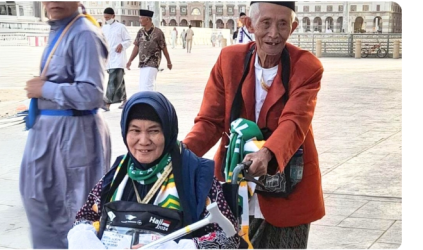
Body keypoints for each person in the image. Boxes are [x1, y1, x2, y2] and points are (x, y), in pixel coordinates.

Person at [182, 1, 325, 249]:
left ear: (293, 27)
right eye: (265, 23)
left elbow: (295, 120)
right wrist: (178, 156)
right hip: (234, 183)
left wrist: (267, 152)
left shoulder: (307, 66)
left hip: (288, 185)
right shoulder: (229, 60)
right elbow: (210, 121)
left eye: (282, 24)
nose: (274, 33)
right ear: (249, 24)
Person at [67, 91, 242, 249]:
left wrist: (173, 249)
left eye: (154, 131)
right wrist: (86, 240)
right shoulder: (117, 175)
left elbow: (229, 239)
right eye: (135, 130)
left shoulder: (195, 175)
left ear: (168, 132)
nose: (143, 141)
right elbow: (85, 217)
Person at [20, 1, 112, 249]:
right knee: (41, 204)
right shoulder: (62, 28)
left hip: (74, 136)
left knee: (74, 214)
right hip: (52, 134)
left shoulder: (84, 33)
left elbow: (92, 94)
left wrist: (45, 89)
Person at [126, 9, 172, 92]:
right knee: (142, 86)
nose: (139, 21)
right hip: (142, 63)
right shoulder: (140, 32)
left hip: (153, 62)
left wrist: (169, 61)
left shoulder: (158, 32)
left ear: (147, 19)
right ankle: (146, 102)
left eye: (141, 18)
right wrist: (130, 60)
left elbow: (164, 47)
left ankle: (148, 103)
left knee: (148, 85)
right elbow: (136, 46)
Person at [101, 7, 131, 111]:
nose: (106, 19)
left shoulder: (121, 27)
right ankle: (125, 99)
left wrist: (122, 45)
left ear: (113, 16)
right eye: (105, 18)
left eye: (108, 17)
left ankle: (107, 102)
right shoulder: (104, 28)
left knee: (113, 80)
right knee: (119, 80)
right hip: (109, 59)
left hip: (118, 58)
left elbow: (128, 40)